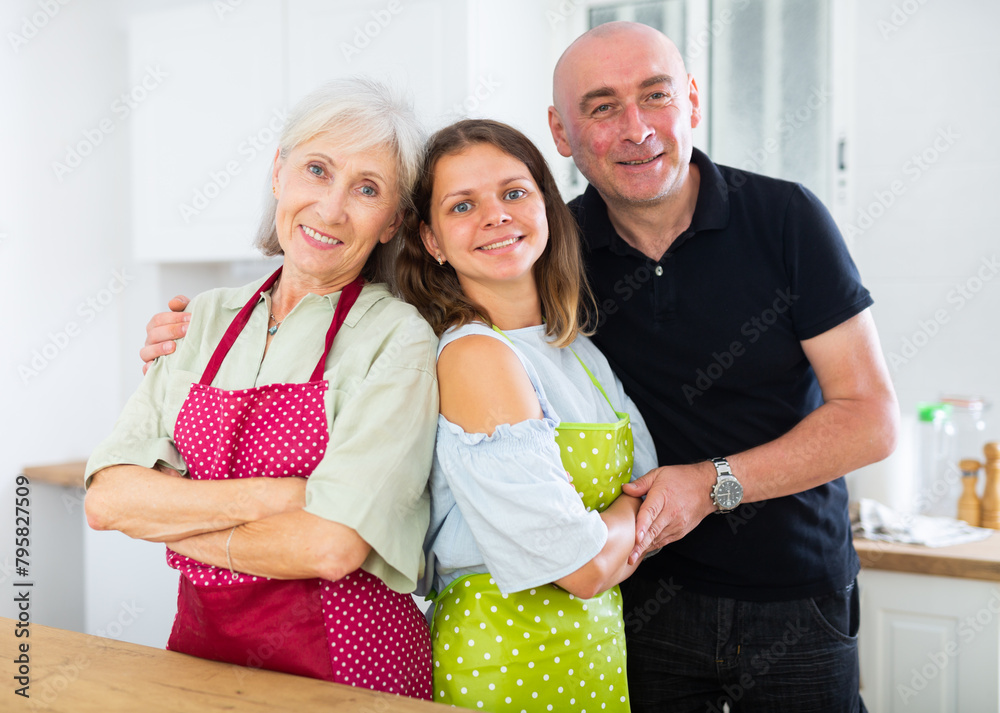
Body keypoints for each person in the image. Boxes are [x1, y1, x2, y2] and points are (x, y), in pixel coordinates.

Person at [546, 21, 898, 712]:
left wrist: (714, 485)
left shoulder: (787, 218)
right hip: (637, 601)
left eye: (655, 95)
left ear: (693, 103)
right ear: (562, 133)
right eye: (602, 106)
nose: (636, 127)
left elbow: (871, 419)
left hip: (796, 596)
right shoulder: (552, 250)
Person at [84, 78, 438, 698]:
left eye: (367, 189)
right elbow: (108, 499)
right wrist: (284, 497)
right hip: (200, 657)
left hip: (348, 670)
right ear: (278, 174)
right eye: (317, 170)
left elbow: (331, 546)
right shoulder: (202, 320)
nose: (331, 208)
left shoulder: (398, 339)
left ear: (393, 224)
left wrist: (174, 520)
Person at [394, 119, 659, 712]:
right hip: (504, 661)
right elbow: (584, 569)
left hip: (590, 654)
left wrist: (614, 527)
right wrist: (625, 513)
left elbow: (649, 490)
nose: (496, 216)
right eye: (462, 205)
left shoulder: (574, 348)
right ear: (432, 241)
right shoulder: (475, 357)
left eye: (514, 193)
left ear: (547, 207)